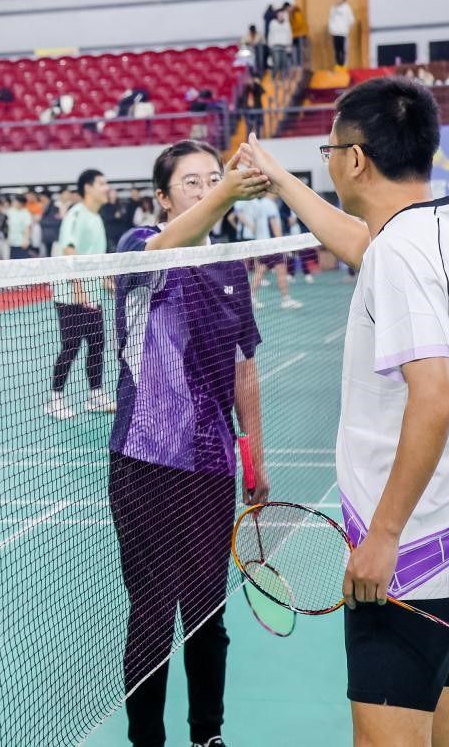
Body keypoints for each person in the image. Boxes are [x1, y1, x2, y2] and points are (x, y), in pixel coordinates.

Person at [243, 77, 449, 747]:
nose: (327, 162)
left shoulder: (401, 255)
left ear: (355, 159)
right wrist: (280, 180)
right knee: (445, 725)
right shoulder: (445, 225)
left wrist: (382, 537)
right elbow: (363, 245)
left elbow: (435, 398)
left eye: (329, 150)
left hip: (411, 555)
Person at [109, 140, 271, 747]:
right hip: (144, 460)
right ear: (163, 198)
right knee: (153, 612)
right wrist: (228, 190)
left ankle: (208, 736)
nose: (205, 190)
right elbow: (162, 249)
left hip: (212, 462)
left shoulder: (230, 264)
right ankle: (146, 740)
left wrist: (254, 455)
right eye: (191, 183)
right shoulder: (140, 246)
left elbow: (244, 367)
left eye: (212, 179)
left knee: (207, 612)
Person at [47, 169, 116, 420]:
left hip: (92, 294)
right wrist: (78, 289)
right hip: (71, 296)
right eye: (102, 183)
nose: (107, 188)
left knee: (97, 344)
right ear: (88, 187)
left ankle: (95, 396)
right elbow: (69, 251)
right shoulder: (76, 214)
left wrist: (106, 281)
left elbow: (94, 256)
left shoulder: (96, 217)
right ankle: (55, 399)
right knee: (71, 347)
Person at [328, 0, 355, 69]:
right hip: (335, 32)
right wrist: (331, 29)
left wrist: (345, 27)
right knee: (336, 50)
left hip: (343, 32)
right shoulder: (333, 8)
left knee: (343, 50)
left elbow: (351, 20)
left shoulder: (347, 8)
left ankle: (343, 66)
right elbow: (330, 19)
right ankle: (338, 65)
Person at [5, 194, 34, 260]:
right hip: (11, 241)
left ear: (20, 203)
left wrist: (26, 239)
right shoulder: (9, 212)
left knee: (22, 260)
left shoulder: (25, 213)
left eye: (15, 201)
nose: (13, 202)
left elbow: (28, 227)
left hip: (21, 242)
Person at [267, 8, 293, 76]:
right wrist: (270, 45)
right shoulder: (273, 23)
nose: (281, 16)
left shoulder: (287, 24)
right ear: (277, 15)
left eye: (282, 15)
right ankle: (273, 76)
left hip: (285, 46)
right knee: (277, 62)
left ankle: (283, 78)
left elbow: (289, 35)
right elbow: (270, 34)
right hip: (275, 46)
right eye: (279, 15)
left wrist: (290, 45)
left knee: (284, 63)